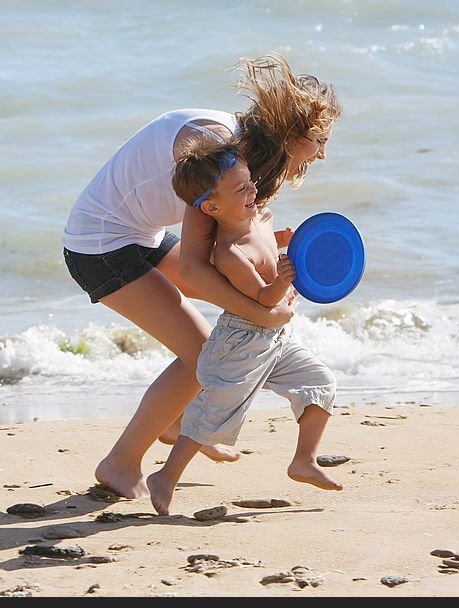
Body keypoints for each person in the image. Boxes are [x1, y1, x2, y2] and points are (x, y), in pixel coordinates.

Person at [62, 53, 340, 499]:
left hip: (140, 235)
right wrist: (262, 313)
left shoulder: (239, 152)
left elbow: (229, 247)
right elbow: (196, 265)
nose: (323, 153)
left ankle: (173, 422)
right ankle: (120, 464)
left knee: (219, 336)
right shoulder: (215, 150)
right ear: (292, 132)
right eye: (320, 140)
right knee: (203, 357)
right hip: (102, 246)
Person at [146, 139, 342, 515]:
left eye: (250, 182)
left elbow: (269, 244)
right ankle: (165, 477)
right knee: (213, 415)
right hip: (241, 340)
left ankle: (304, 460)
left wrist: (288, 241)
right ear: (212, 207)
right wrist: (283, 281)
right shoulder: (230, 253)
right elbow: (262, 302)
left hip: (276, 339)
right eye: (242, 189)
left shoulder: (260, 217)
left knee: (320, 383)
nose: (253, 190)